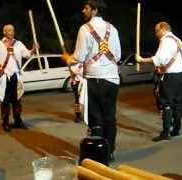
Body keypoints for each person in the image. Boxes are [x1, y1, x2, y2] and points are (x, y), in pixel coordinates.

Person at [62, 0, 121, 162]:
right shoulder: (113, 29)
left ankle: (98, 154)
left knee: (96, 118)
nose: (83, 11)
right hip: (112, 79)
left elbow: (79, 57)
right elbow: (118, 55)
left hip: (95, 79)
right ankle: (109, 152)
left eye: (86, 8)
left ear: (94, 10)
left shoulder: (85, 29)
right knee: (109, 117)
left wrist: (68, 59)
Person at [136, 22, 182, 142]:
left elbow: (159, 59)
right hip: (181, 73)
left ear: (163, 29)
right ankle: (176, 129)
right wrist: (163, 66)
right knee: (177, 101)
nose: (156, 34)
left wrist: (142, 60)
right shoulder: (177, 39)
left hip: (171, 75)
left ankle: (165, 132)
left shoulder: (166, 40)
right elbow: (178, 58)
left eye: (157, 31)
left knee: (166, 103)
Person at [0, 24, 38, 132]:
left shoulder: (19, 44)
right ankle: (5, 123)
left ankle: (18, 121)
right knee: (5, 101)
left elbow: (27, 54)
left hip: (16, 76)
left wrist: (33, 49)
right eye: (8, 30)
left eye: (12, 30)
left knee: (17, 100)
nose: (10, 32)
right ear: (4, 32)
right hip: (5, 76)